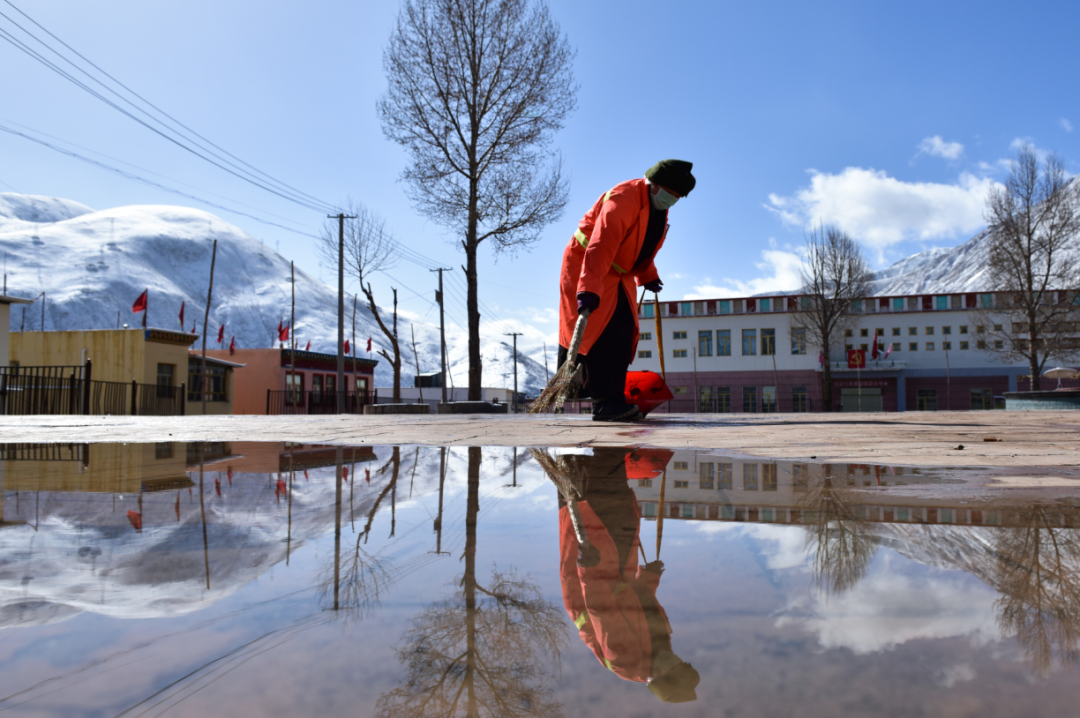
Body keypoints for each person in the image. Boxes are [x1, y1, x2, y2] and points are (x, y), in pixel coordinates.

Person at [555, 448, 700, 704]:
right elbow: (640, 608)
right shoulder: (661, 651)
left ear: (657, 677)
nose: (675, 659)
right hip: (618, 574)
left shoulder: (626, 661)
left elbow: (601, 609)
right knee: (618, 500)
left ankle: (595, 439)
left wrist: (587, 567)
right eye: (681, 663)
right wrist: (650, 579)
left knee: (590, 497)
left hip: (592, 580)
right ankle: (603, 441)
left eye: (675, 667)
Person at [558, 160, 696, 421]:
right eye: (670, 193)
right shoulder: (624, 199)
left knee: (624, 330)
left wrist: (648, 275)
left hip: (618, 273)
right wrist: (588, 288)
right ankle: (604, 403)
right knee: (602, 333)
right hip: (587, 264)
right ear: (653, 184)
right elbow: (600, 245)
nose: (672, 200)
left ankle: (613, 401)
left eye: (677, 197)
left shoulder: (656, 208)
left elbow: (641, 246)